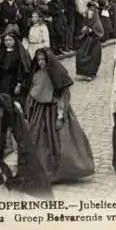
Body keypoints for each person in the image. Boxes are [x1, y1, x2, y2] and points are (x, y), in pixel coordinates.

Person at [25, 48, 94, 183]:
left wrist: (60, 115)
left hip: (54, 110)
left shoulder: (57, 74)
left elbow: (64, 95)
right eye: (38, 60)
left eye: (43, 60)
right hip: (40, 112)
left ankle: (61, 171)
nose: (41, 62)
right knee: (39, 141)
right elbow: (33, 93)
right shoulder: (37, 74)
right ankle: (43, 171)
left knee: (60, 140)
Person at [0, 30, 31, 106]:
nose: (8, 42)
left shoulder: (19, 53)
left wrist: (19, 84)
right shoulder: (1, 53)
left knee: (13, 101)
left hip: (14, 81)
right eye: (6, 40)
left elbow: (22, 69)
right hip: (3, 81)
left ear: (14, 40)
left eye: (10, 40)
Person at [75, 1, 105, 81]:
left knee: (92, 56)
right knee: (80, 53)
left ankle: (90, 74)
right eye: (89, 9)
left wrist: (90, 30)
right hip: (86, 40)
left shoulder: (97, 20)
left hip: (94, 40)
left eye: (91, 9)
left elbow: (100, 31)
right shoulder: (86, 19)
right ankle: (82, 73)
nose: (89, 11)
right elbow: (83, 28)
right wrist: (83, 30)